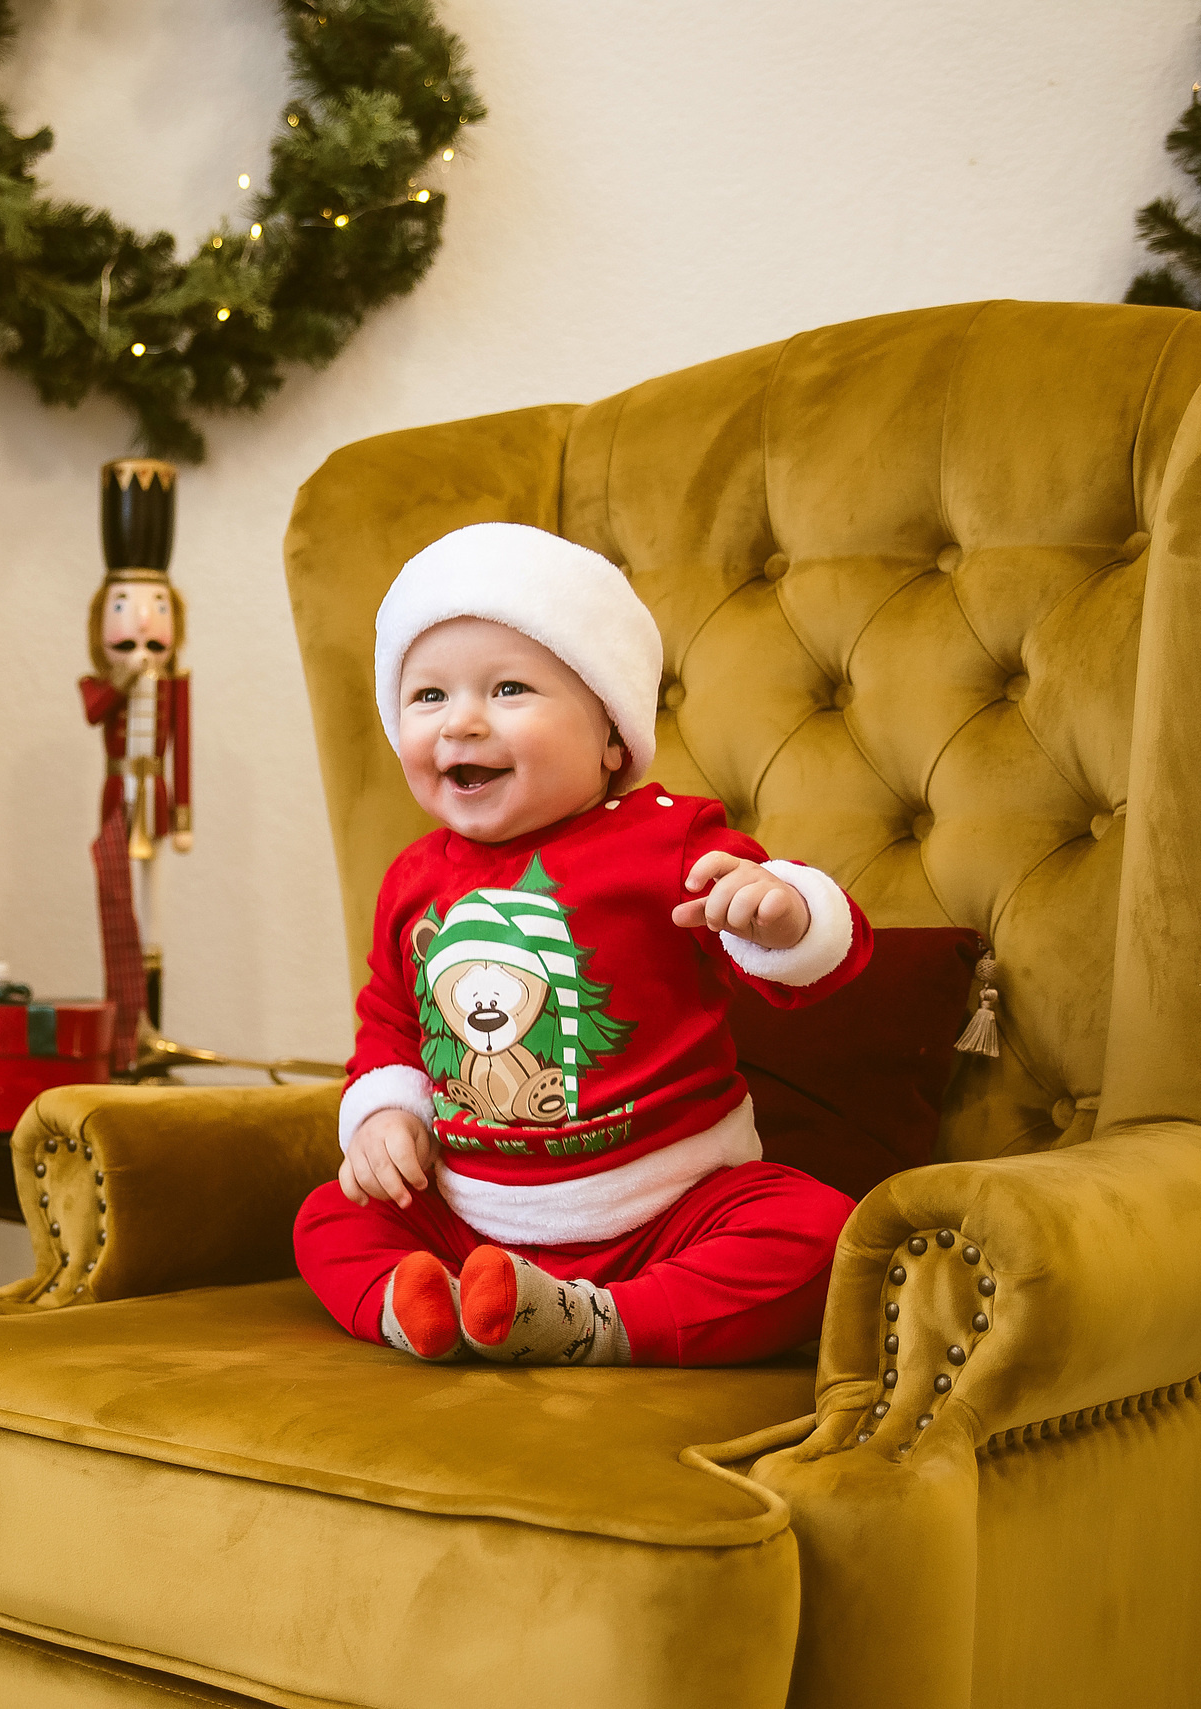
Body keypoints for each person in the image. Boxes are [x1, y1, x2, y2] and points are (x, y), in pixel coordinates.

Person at [295, 522, 871, 1367]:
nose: (461, 723)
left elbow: (813, 962)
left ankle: (596, 1321)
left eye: (509, 690)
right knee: (328, 1216)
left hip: (666, 1208)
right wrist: (384, 1113)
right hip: (469, 1216)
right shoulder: (413, 878)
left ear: (611, 736)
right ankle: (419, 1305)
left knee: (820, 1233)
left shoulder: (671, 840)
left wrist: (782, 916)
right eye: (428, 697)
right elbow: (389, 1020)